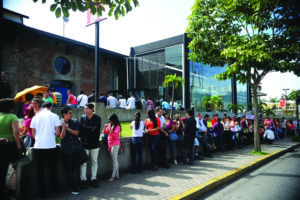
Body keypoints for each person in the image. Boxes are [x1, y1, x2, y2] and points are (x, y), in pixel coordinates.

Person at [30, 102, 61, 198]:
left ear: (42, 107)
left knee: (40, 170)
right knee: (53, 168)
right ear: (51, 107)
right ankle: (53, 189)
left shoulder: (36, 117)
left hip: (38, 146)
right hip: (51, 146)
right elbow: (58, 133)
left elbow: (33, 134)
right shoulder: (54, 116)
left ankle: (42, 191)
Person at [0, 99, 21, 198]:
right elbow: (16, 132)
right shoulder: (12, 116)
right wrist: (18, 144)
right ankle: (3, 190)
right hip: (8, 145)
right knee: (5, 168)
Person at [79, 103, 101, 189]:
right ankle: (83, 180)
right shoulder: (82, 118)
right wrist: (88, 129)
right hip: (84, 144)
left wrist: (85, 129)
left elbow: (95, 130)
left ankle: (94, 178)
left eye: (87, 108)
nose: (85, 110)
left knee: (94, 162)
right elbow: (80, 131)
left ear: (92, 109)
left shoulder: (97, 118)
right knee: (83, 163)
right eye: (84, 109)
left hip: (94, 144)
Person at [60, 107, 81, 195]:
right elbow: (61, 137)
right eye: (69, 113)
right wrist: (64, 128)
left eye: (72, 113)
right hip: (66, 150)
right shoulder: (60, 123)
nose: (71, 115)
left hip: (75, 149)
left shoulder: (75, 121)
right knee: (68, 169)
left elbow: (77, 133)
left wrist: (68, 129)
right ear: (64, 114)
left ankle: (73, 184)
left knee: (72, 168)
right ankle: (74, 188)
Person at [103, 114, 121, 181]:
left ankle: (112, 176)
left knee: (114, 160)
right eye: (109, 120)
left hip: (115, 144)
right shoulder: (110, 125)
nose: (109, 121)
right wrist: (105, 127)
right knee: (115, 160)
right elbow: (104, 132)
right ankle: (117, 174)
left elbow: (114, 136)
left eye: (110, 120)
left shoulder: (118, 126)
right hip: (110, 143)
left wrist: (110, 129)